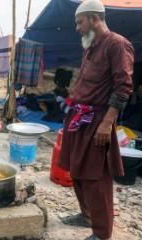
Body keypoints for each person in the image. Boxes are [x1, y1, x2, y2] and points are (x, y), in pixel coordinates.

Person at [58, 0, 134, 240]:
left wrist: (107, 123)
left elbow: (123, 88)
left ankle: (102, 234)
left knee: (95, 176)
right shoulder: (90, 46)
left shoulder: (117, 44)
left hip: (97, 119)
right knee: (77, 170)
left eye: (80, 22)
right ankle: (86, 215)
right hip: (79, 117)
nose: (77, 28)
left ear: (94, 19)